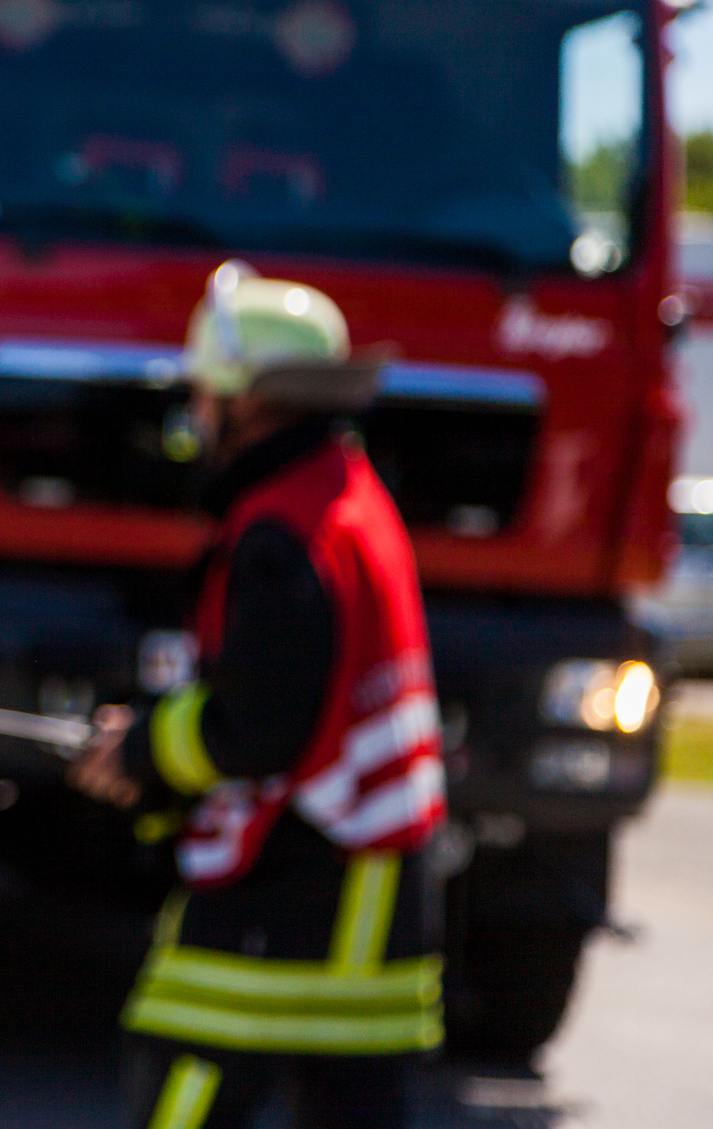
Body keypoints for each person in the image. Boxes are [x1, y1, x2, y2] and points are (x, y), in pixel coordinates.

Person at [69, 261, 446, 1129]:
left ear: (248, 401)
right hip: (367, 901)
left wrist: (139, 751)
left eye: (207, 394)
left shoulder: (280, 527)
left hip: (300, 896)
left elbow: (259, 727)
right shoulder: (341, 497)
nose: (195, 413)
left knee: (180, 1086)